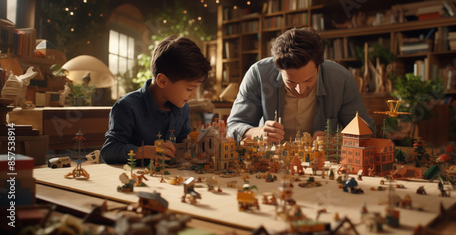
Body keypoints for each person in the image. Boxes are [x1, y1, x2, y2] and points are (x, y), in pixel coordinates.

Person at [226, 27, 375, 144]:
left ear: (319, 66)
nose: (300, 90)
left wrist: (336, 141)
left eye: (309, 80)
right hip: (272, 162)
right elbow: (234, 126)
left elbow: (367, 131)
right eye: (290, 82)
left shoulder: (341, 79)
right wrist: (256, 133)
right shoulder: (258, 74)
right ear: (278, 68)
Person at [101, 36, 212, 164]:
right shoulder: (127, 107)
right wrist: (144, 151)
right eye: (189, 89)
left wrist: (200, 144)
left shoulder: (182, 108)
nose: (194, 95)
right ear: (162, 81)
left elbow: (184, 143)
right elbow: (108, 151)